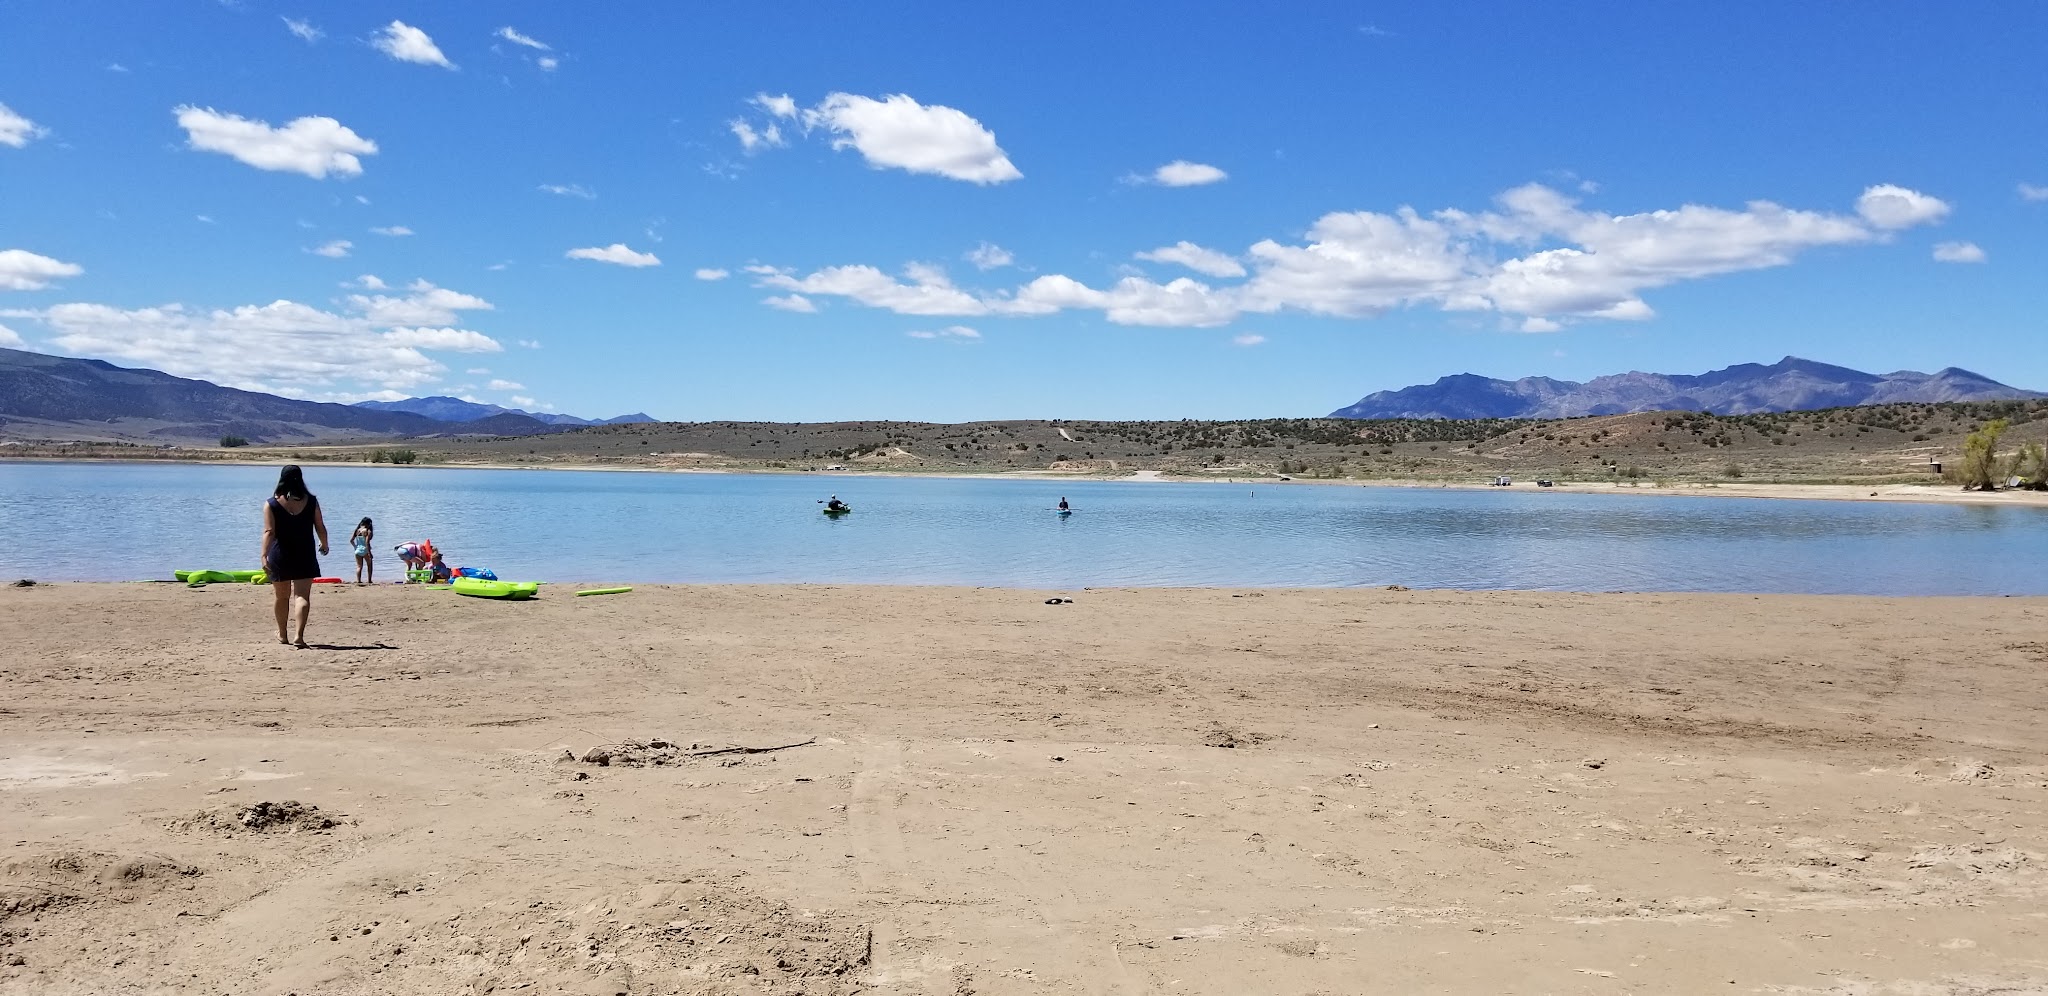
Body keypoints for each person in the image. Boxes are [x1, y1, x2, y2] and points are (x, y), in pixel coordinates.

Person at [260, 465, 328, 648]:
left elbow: (269, 531)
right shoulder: (311, 501)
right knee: (302, 596)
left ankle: (283, 634)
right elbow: (320, 526)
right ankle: (299, 636)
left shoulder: (271, 504)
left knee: (281, 597)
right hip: (304, 554)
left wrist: (264, 555)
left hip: (279, 555)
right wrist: (325, 544)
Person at [349, 517, 375, 584]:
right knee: (369, 565)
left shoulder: (357, 530)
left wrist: (355, 547)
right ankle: (369, 580)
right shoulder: (368, 531)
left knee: (359, 566)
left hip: (357, 550)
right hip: (365, 550)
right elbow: (367, 542)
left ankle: (358, 580)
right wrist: (369, 552)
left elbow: (351, 541)